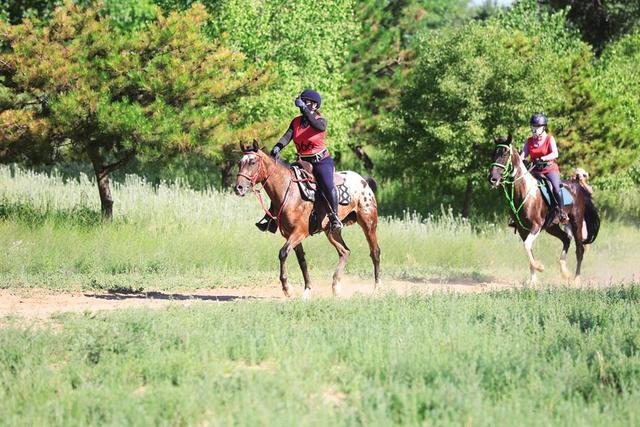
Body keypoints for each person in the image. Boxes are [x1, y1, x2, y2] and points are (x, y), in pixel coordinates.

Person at [255, 89, 343, 232]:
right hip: (303, 162)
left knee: (327, 185)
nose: (302, 105)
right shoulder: (296, 122)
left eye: (306, 102)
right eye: (302, 102)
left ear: (314, 105)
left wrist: (303, 108)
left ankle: (334, 217)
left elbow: (317, 126)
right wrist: (277, 147)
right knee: (283, 182)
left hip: (321, 161)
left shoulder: (320, 120)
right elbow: (286, 137)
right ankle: (271, 217)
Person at [523, 113, 569, 224]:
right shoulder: (529, 141)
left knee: (555, 189)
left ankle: (562, 213)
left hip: (549, 169)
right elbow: (522, 155)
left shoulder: (549, 139)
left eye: (537, 127)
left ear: (544, 127)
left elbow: (555, 154)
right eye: (533, 127)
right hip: (535, 171)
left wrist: (543, 158)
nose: (535, 129)